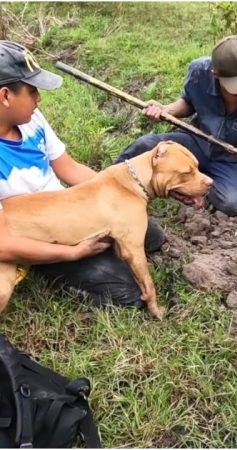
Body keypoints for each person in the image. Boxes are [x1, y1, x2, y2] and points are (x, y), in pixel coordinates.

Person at [0, 39, 164, 308]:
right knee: (128, 294)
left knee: (152, 234)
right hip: (36, 237)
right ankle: (53, 269)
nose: (39, 99)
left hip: (71, 211)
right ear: (6, 95)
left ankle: (103, 248)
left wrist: (125, 195)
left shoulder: (31, 120)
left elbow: (69, 168)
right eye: (32, 91)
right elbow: (3, 245)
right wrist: (73, 253)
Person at [115, 35, 237, 216]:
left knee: (231, 203)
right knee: (143, 146)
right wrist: (166, 110)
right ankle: (109, 182)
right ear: (215, 75)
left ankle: (191, 179)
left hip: (232, 156)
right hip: (195, 141)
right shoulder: (199, 71)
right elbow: (188, 102)